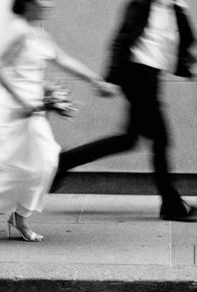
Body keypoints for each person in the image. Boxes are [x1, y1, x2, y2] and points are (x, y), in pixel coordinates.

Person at [0, 0, 117, 241]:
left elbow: (63, 60)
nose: (48, 5)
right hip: (20, 111)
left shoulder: (37, 34)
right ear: (27, 5)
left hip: (34, 112)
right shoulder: (18, 32)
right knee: (34, 161)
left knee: (37, 162)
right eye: (41, 2)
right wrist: (22, 99)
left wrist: (96, 81)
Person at [52, 0, 197, 221]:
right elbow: (121, 40)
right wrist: (111, 79)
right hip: (136, 74)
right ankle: (171, 204)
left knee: (129, 139)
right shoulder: (141, 3)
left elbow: (184, 40)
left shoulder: (175, 7)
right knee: (161, 139)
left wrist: (187, 64)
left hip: (152, 76)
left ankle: (65, 161)